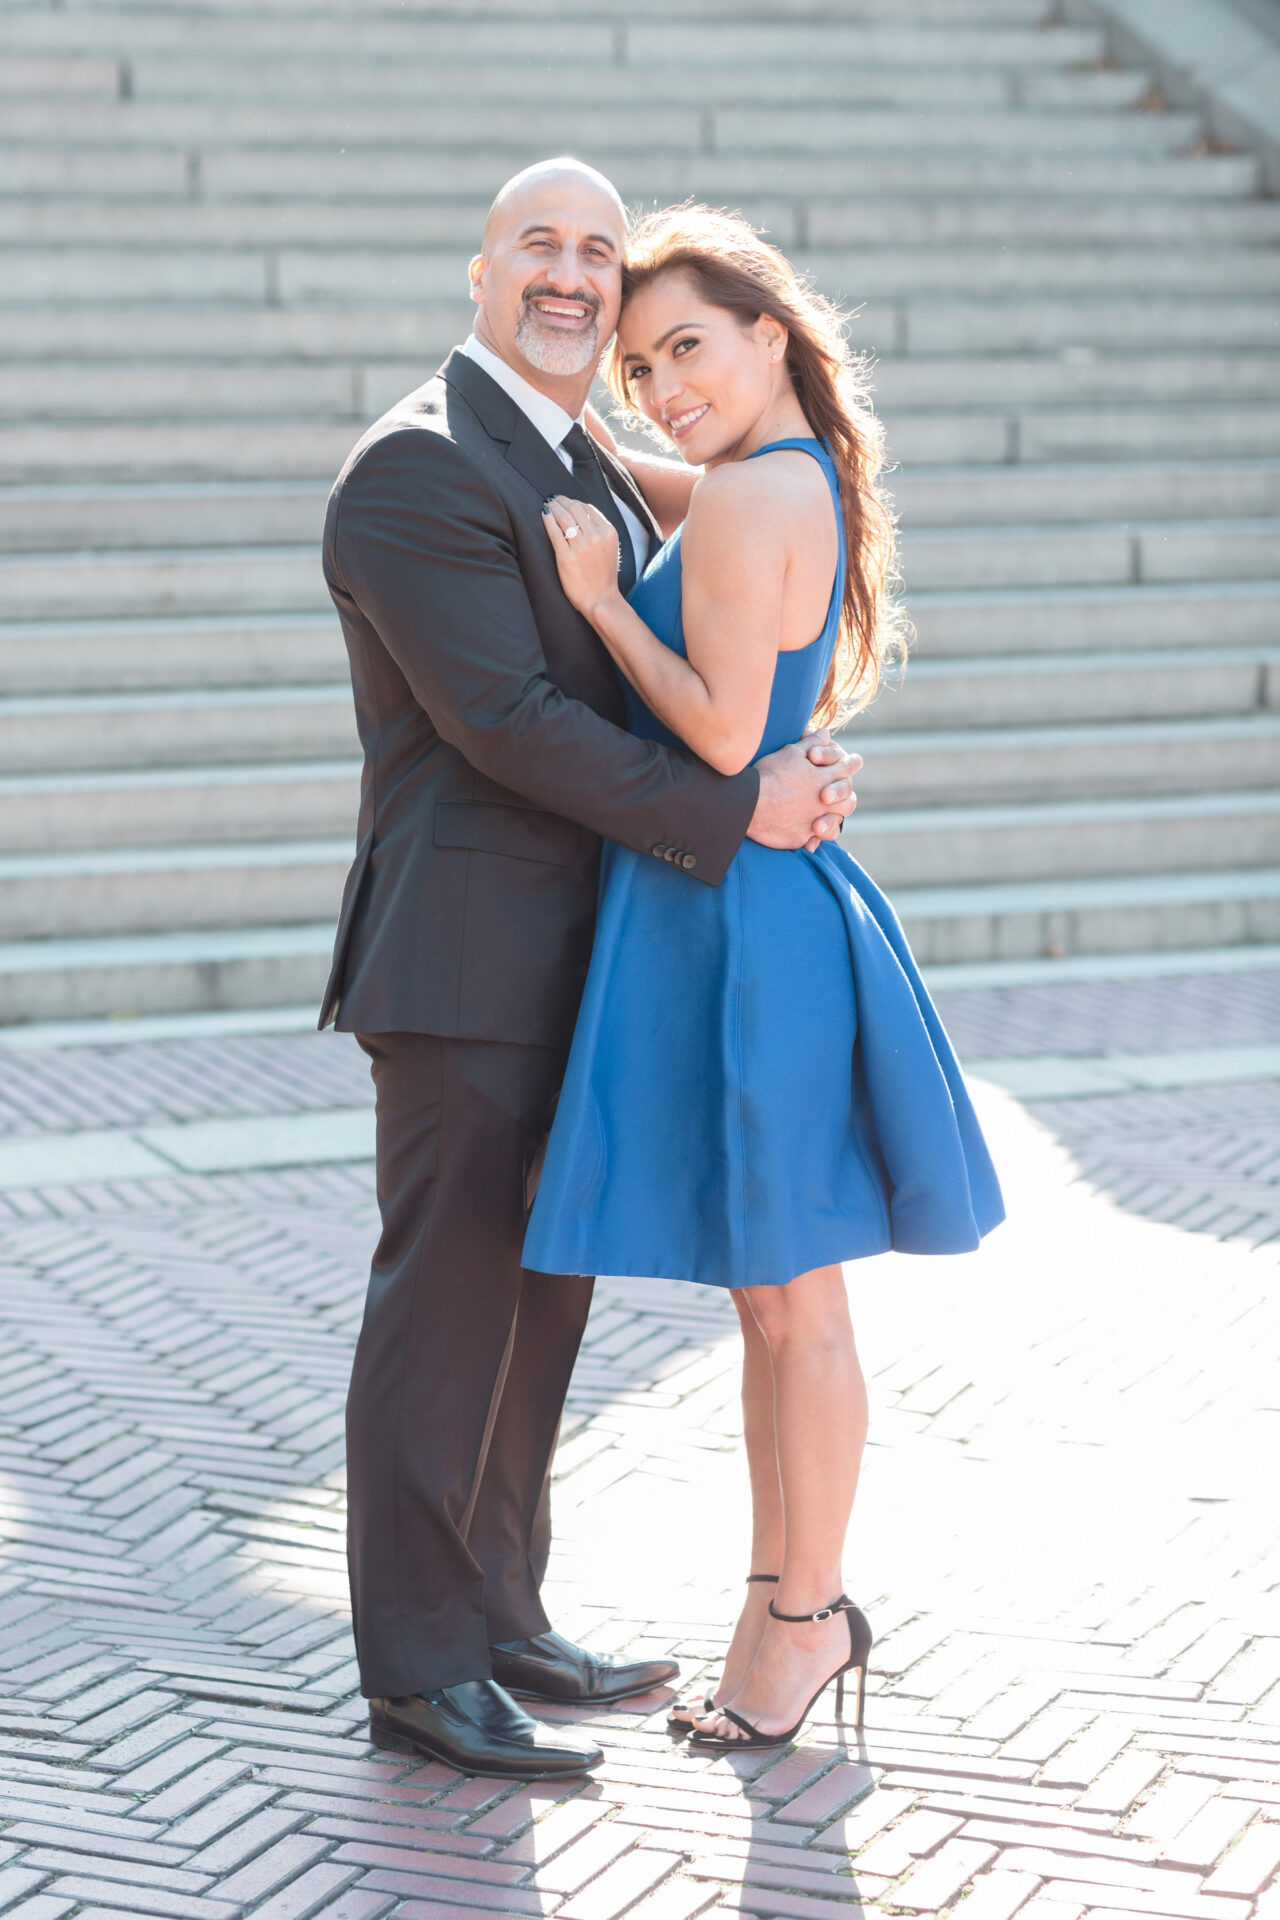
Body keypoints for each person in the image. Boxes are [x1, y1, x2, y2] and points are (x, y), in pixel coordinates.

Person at [318, 160, 863, 1781]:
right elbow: (511, 725)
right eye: (539, 246)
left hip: (595, 948)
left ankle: (499, 1614)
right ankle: (419, 1665)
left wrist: (790, 741)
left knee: (540, 1297)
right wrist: (736, 802)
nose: (572, 276)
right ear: (479, 270)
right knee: (447, 1303)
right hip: (468, 952)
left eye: (598, 255)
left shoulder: (585, 455)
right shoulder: (416, 468)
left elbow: (759, 544)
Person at [523, 205, 1005, 1750]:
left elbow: (725, 745)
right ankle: (780, 1601)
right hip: (755, 913)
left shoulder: (744, 504)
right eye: (640, 364)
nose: (661, 389)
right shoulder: (776, 482)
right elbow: (678, 494)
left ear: (768, 337)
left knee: (795, 1310)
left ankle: (805, 1621)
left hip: (741, 920)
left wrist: (602, 602)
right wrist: (587, 462)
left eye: (688, 349)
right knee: (771, 1304)